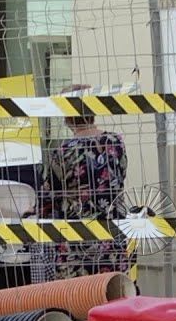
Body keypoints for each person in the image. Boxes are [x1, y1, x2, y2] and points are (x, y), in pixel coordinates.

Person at [34, 104, 130, 281]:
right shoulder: (115, 143)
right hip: (111, 237)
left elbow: (48, 197)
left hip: (75, 243)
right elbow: (121, 175)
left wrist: (33, 212)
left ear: (67, 117)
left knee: (76, 299)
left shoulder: (63, 151)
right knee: (113, 295)